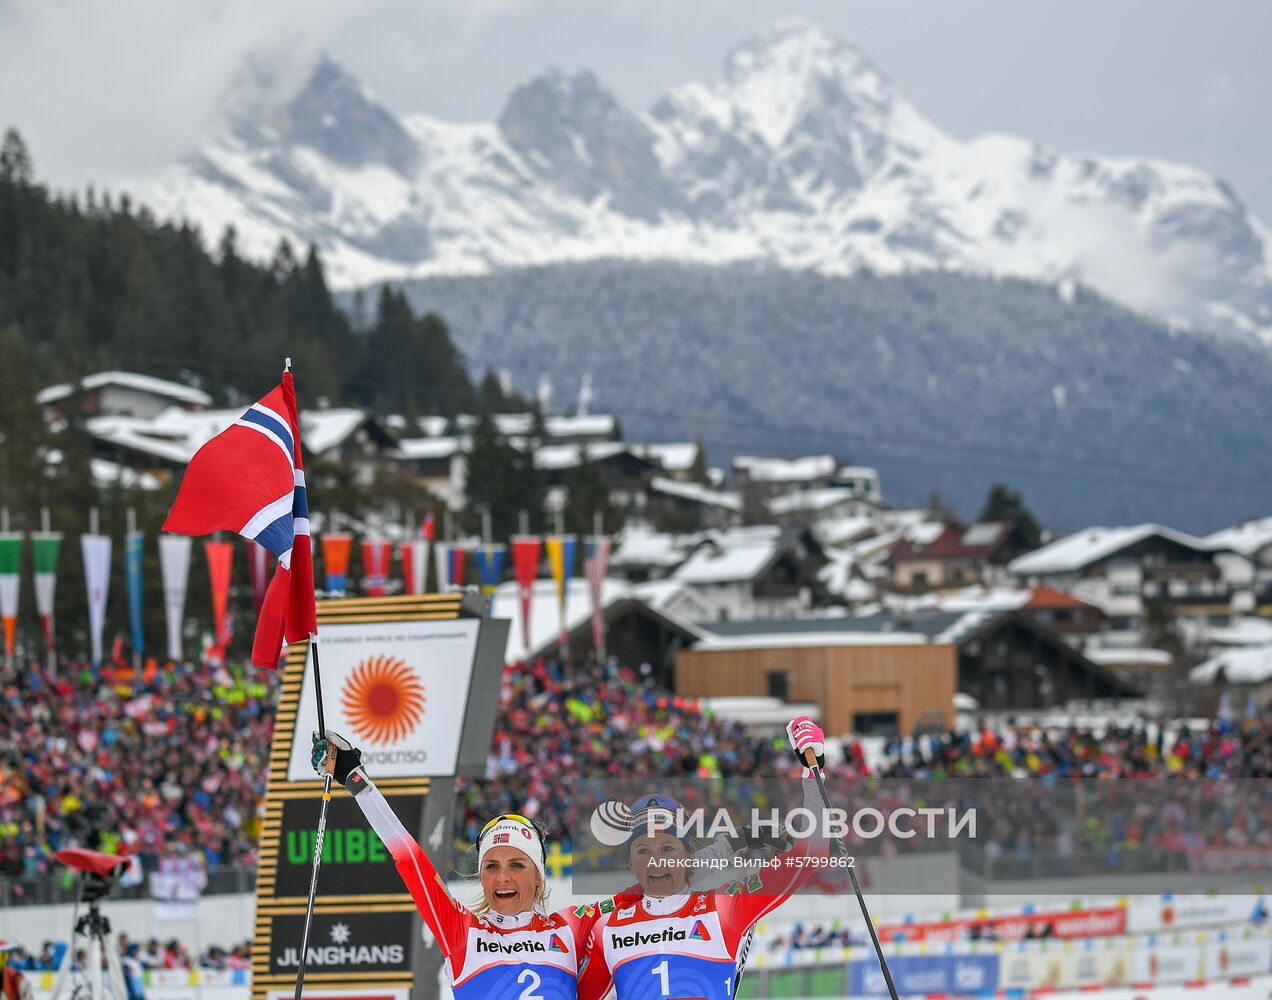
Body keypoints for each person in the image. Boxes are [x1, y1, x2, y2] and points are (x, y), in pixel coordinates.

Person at [312, 732, 608, 1000]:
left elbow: (647, 892)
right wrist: (356, 780)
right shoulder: (463, 931)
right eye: (492, 866)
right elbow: (410, 859)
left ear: (539, 878)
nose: (502, 877)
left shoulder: (571, 927)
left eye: (517, 865)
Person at [582, 716, 829, 1000]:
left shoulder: (723, 908)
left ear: (687, 854)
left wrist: (814, 775)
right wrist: (736, 841)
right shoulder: (607, 925)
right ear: (631, 862)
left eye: (667, 848)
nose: (656, 860)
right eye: (643, 850)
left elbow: (814, 852)